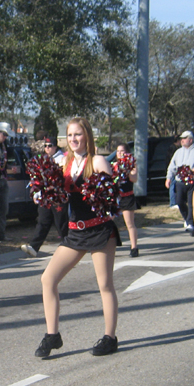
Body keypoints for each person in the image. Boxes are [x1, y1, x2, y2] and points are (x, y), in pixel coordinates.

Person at [35, 117, 122, 359]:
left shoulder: (99, 161)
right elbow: (58, 197)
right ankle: (53, 335)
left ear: (87, 137)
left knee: (104, 285)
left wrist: (98, 193)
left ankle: (110, 337)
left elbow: (111, 199)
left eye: (78, 134)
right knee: (48, 279)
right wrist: (46, 192)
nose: (73, 139)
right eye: (70, 135)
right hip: (75, 232)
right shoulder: (64, 163)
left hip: (99, 230)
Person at [21, 136, 68, 257]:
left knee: (61, 223)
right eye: (45, 146)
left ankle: (70, 245)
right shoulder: (43, 159)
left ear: (55, 147)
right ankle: (34, 247)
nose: (47, 148)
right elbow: (38, 179)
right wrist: (36, 193)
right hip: (45, 196)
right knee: (42, 221)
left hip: (58, 196)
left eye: (50, 146)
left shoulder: (62, 159)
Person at [165, 130, 194, 230]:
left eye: (184, 138)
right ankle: (188, 219)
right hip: (180, 181)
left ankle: (191, 223)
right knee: (179, 201)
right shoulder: (178, 152)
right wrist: (168, 178)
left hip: (193, 181)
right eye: (181, 139)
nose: (182, 140)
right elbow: (172, 166)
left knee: (191, 203)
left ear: (191, 140)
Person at [113, 143, 140, 256]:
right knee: (108, 221)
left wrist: (127, 169)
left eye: (122, 151)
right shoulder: (113, 165)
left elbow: (134, 179)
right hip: (114, 197)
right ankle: (109, 245)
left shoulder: (132, 165)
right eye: (118, 151)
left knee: (129, 223)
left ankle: (134, 247)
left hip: (127, 197)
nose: (120, 153)